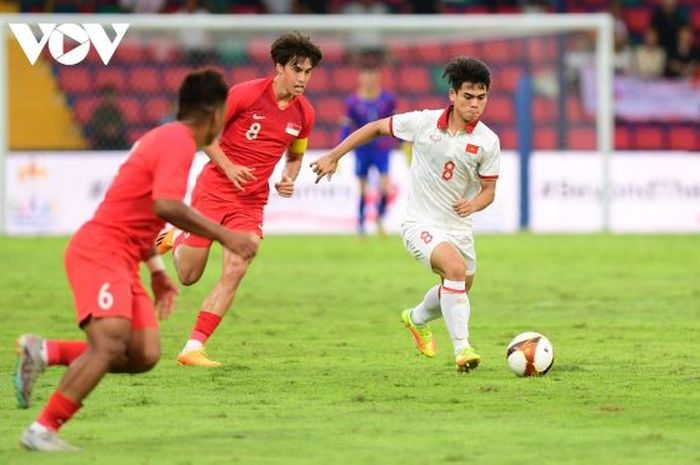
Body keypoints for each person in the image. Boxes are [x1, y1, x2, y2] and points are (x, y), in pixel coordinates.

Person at [13, 69, 258, 452]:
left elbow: (144, 213)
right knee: (109, 343)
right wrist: (225, 235)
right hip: (101, 249)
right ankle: (42, 429)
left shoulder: (168, 139)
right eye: (224, 116)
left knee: (143, 353)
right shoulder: (177, 141)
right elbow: (167, 206)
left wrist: (158, 273)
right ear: (213, 114)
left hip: (126, 255)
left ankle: (44, 351)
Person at [311, 56, 500, 373]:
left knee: (460, 287)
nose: (475, 104)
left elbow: (489, 191)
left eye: (481, 98)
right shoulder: (423, 123)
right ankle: (463, 349)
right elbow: (374, 128)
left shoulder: (488, 141)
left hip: (459, 227)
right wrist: (334, 155)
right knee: (453, 271)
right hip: (420, 223)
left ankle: (416, 318)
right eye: (468, 96)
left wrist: (475, 204)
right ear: (452, 95)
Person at [156, 32, 322, 367]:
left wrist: (289, 177)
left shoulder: (305, 114)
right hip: (214, 190)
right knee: (189, 275)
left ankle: (193, 347)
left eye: (308, 72)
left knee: (236, 267)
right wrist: (229, 167)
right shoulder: (245, 95)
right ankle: (176, 237)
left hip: (251, 202)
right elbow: (203, 134)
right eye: (297, 70)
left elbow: (295, 156)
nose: (303, 78)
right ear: (279, 67)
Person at [341, 53, 396, 235]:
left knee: (385, 187)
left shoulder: (388, 99)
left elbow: (396, 123)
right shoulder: (352, 101)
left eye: (372, 75)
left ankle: (379, 218)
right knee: (363, 187)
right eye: (365, 75)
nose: (369, 79)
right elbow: (347, 127)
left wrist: (403, 143)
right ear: (360, 78)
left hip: (382, 149)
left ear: (378, 77)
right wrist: (340, 150)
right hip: (362, 149)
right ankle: (362, 225)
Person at [88, 85, 129, 150]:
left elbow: (122, 123)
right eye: (107, 96)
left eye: (111, 96)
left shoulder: (117, 111)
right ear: (104, 97)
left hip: (115, 136)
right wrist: (106, 130)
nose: (110, 99)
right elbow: (96, 124)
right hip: (102, 136)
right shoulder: (99, 111)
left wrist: (114, 130)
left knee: (123, 141)